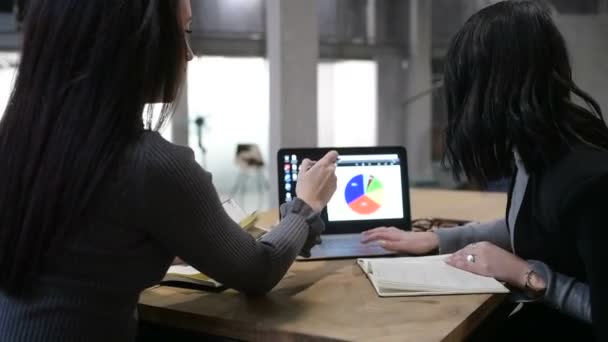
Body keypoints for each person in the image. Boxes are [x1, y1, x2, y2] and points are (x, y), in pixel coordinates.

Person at [0, 0, 338, 341]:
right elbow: (258, 270)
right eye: (182, 33)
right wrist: (305, 205)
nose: (189, 54)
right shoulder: (152, 164)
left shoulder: (18, 142)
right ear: (129, 42)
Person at [362, 1, 607, 341]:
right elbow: (530, 228)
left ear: (490, 87)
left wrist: (526, 275)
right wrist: (437, 239)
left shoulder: (588, 181)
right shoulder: (539, 147)